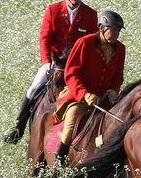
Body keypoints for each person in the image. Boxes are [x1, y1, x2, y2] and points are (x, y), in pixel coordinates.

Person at [4, 0, 98, 144]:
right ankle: (19, 127)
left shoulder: (91, 14)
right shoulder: (53, 10)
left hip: (77, 65)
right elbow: (45, 37)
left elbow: (91, 43)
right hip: (55, 62)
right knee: (34, 88)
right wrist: (47, 61)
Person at [52, 10, 126, 167]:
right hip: (79, 97)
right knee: (70, 126)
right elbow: (71, 74)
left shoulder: (120, 48)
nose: (116, 34)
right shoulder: (84, 43)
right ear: (101, 28)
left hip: (105, 100)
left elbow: (118, 76)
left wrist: (113, 90)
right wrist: (85, 94)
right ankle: (58, 166)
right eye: (114, 30)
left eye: (118, 31)